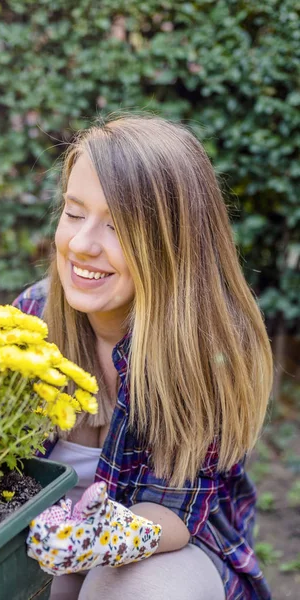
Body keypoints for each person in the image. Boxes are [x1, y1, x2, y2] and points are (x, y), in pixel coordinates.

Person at [14, 114, 273, 600]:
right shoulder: (30, 318)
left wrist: (96, 539)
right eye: (74, 213)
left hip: (170, 546)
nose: (83, 244)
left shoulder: (202, 349)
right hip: (41, 540)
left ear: (174, 242)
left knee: (128, 588)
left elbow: (172, 511)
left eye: (118, 226)